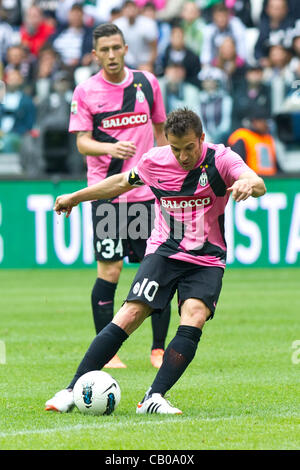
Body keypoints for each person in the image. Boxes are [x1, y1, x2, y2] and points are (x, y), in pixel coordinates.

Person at [45, 107, 266, 414]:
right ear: (166, 142)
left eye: (190, 147)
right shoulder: (156, 160)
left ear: (201, 138)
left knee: (195, 315)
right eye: (176, 149)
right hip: (165, 251)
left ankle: (153, 396)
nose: (183, 156)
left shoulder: (221, 158)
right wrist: (76, 196)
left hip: (207, 257)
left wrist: (247, 184)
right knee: (131, 313)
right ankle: (70, 390)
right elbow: (121, 181)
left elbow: (256, 181)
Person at [67, 22, 171, 370]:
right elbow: (82, 141)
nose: (111, 55)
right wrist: (111, 146)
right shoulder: (86, 91)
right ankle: (108, 353)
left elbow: (160, 131)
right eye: (104, 50)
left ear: (126, 48)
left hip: (144, 194)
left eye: (116, 48)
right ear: (95, 54)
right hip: (107, 195)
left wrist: (169, 171)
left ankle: (158, 349)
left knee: (156, 270)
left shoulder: (146, 83)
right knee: (109, 271)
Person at [228, 106, 279, 176]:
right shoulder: (242, 137)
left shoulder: (268, 138)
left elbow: (276, 165)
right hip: (252, 180)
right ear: (255, 122)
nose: (267, 125)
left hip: (272, 181)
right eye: (264, 121)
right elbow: (237, 167)